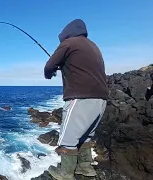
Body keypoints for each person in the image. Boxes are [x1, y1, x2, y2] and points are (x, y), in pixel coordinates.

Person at [44, 19, 109, 180]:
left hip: (80, 97)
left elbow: (49, 66)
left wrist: (49, 73)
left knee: (67, 138)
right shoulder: (93, 46)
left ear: (66, 34)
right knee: (86, 134)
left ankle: (65, 174)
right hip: (101, 98)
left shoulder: (69, 43)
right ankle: (85, 168)